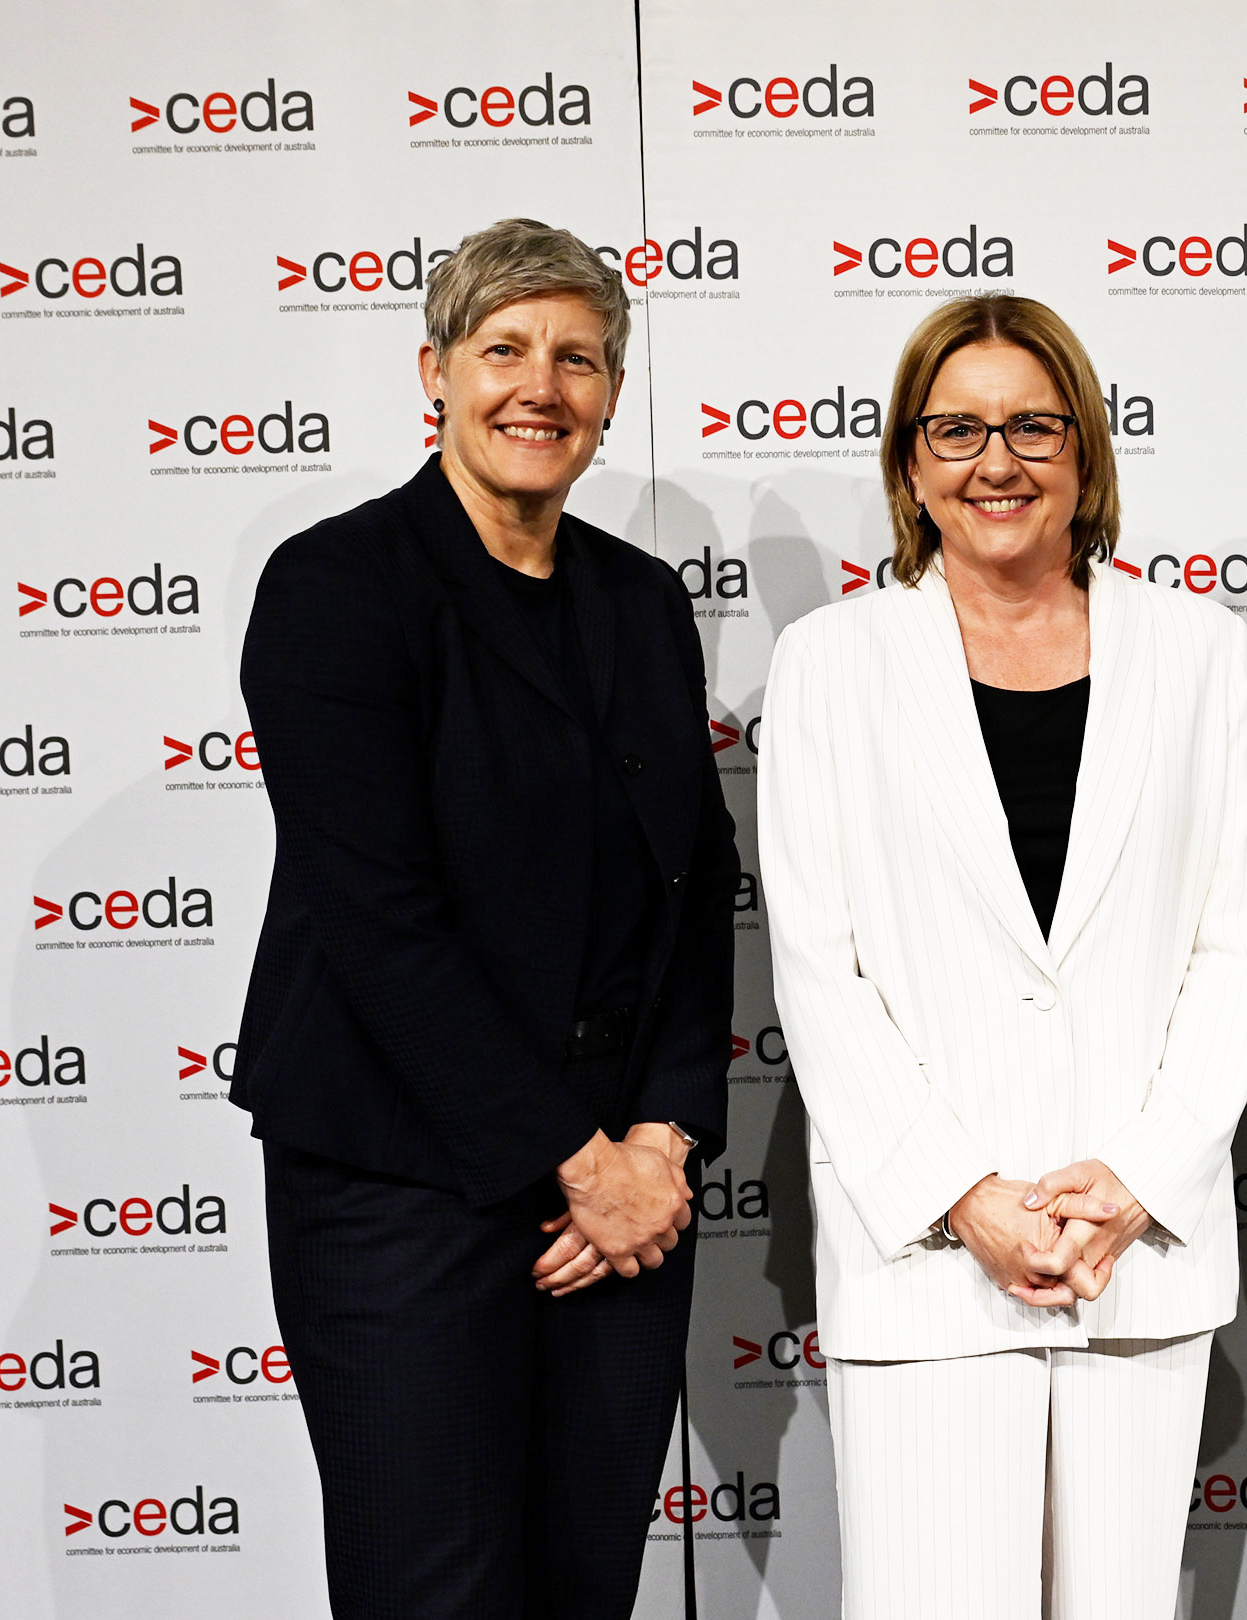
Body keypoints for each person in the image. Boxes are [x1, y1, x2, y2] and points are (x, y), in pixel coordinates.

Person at [235, 219, 738, 1619]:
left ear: (613, 396)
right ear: (436, 373)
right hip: (399, 1190)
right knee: (434, 1594)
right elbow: (380, 925)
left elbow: (694, 892)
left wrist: (660, 1137)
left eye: (578, 358)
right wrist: (573, 1159)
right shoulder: (338, 586)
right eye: (505, 349)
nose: (542, 386)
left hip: (623, 1198)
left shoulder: (639, 604)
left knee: (584, 1591)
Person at [759, 294, 1247, 1620]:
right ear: (911, 465)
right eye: (960, 429)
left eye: (1035, 426)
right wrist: (966, 1196)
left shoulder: (1202, 656)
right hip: (926, 1265)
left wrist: (1138, 1182)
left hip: (1137, 1259)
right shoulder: (828, 666)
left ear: (1087, 452)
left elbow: (1233, 947)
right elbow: (819, 968)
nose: (999, 462)